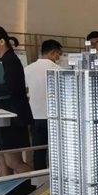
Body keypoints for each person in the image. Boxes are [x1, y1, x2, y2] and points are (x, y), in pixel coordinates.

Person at [0, 26, 33, 175]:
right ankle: (9, 188)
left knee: (13, 161)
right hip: (1, 115)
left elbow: (11, 88)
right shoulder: (0, 61)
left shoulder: (11, 60)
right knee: (1, 157)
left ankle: (33, 184)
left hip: (12, 117)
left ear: (2, 41)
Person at [25, 39, 62, 170]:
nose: (59, 58)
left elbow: (25, 91)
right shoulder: (58, 70)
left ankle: (39, 177)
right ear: (53, 52)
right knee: (56, 150)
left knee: (38, 150)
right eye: (58, 54)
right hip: (54, 117)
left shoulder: (28, 69)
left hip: (35, 116)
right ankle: (56, 175)